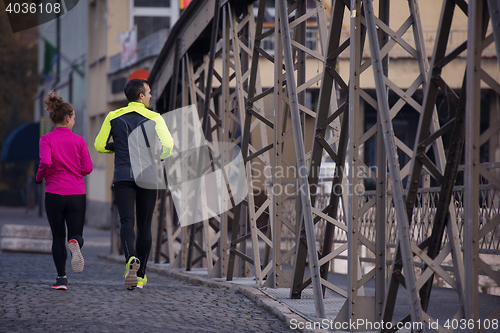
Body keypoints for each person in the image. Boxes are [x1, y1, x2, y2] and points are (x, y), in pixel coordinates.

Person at [95, 79, 173, 290]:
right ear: (141, 95)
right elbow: (168, 146)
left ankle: (130, 258)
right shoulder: (155, 117)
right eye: (148, 93)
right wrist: (157, 155)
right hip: (148, 176)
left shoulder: (113, 116)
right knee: (145, 224)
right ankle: (140, 276)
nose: (150, 96)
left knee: (127, 221)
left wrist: (119, 148)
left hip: (123, 176)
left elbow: (99, 145)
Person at [36, 91, 93, 290]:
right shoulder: (79, 141)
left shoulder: (46, 139)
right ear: (67, 118)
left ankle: (61, 279)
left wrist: (40, 177)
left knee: (57, 236)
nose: (74, 121)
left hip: (54, 193)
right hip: (77, 193)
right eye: (74, 118)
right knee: (75, 234)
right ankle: (75, 242)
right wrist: (75, 170)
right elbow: (88, 168)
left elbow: (45, 162)